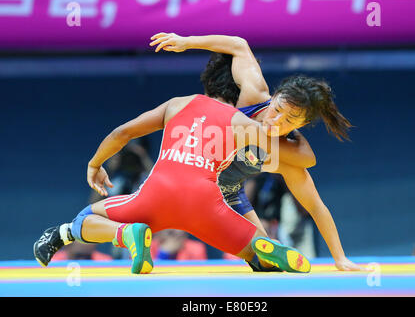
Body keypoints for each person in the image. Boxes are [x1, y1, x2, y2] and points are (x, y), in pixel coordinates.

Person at [149, 33, 367, 271]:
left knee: (266, 258)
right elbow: (239, 45)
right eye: (278, 109)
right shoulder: (254, 96)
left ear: (301, 126)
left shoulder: (285, 156)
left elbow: (316, 206)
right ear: (273, 98)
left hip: (230, 196)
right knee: (256, 248)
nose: (277, 120)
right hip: (194, 178)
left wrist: (340, 258)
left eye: (290, 120)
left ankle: (261, 248)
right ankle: (254, 244)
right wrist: (187, 42)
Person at [33, 93, 312, 274]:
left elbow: (124, 132)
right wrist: (292, 124)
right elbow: (306, 158)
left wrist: (95, 164)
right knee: (259, 261)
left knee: (84, 218)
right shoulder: (243, 121)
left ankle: (126, 234)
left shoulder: (178, 103)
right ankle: (260, 249)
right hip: (205, 203)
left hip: (159, 193)